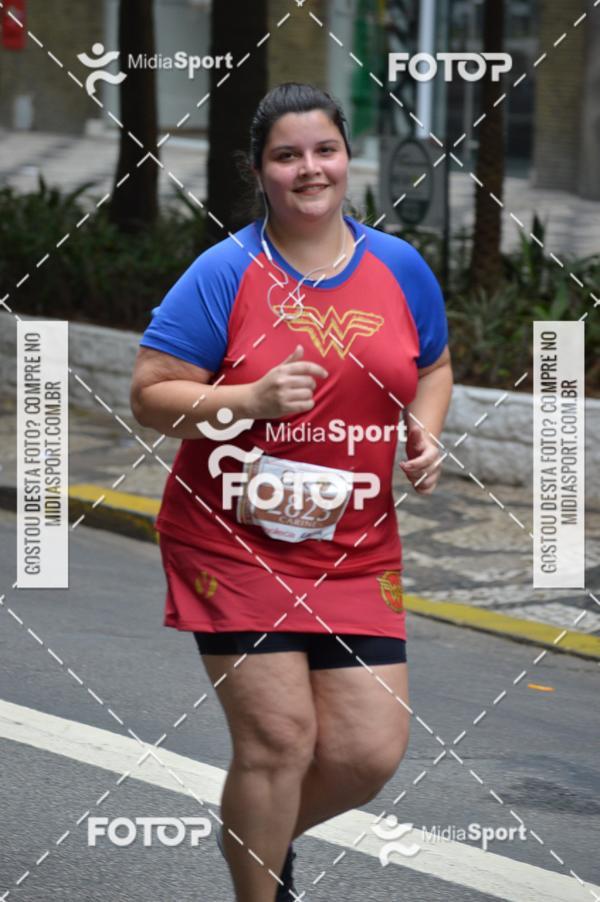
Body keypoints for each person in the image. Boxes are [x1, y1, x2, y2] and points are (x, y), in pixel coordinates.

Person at [130, 82, 453, 902]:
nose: (310, 169)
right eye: (287, 155)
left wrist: (423, 427)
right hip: (231, 538)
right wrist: (249, 400)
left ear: (349, 158)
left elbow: (434, 367)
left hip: (353, 545)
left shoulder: (399, 267)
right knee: (280, 740)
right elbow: (150, 393)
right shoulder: (225, 272)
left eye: (325, 150)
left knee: (366, 753)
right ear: (259, 170)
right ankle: (261, 886)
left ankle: (261, 842)